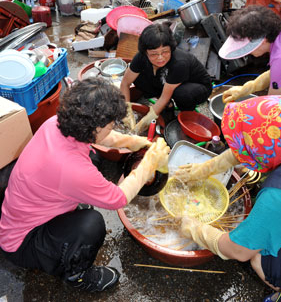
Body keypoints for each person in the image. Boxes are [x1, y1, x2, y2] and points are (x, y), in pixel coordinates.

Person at [0, 78, 169, 293]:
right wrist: (148, 165)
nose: (112, 129)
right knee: (91, 224)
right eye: (110, 125)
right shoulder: (72, 168)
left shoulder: (56, 124)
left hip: (25, 214)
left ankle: (64, 231)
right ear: (95, 127)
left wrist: (132, 142)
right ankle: (77, 276)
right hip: (22, 243)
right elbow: (119, 198)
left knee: (93, 157)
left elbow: (103, 138)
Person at [176, 95, 281, 302]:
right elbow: (252, 148)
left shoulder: (280, 195)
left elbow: (238, 250)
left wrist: (195, 228)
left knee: (259, 256)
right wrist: (203, 169)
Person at [120, 23, 212, 134]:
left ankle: (186, 113)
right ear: (145, 52)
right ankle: (168, 105)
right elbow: (125, 83)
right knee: (138, 78)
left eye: (165, 52)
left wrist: (144, 122)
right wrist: (126, 110)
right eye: (154, 54)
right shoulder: (140, 57)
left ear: (171, 48)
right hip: (169, 83)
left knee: (181, 93)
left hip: (196, 86)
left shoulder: (179, 62)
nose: (160, 58)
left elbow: (165, 96)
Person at [219, 5, 281, 103]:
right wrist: (248, 88)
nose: (248, 53)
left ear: (263, 41)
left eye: (248, 48)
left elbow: (274, 102)